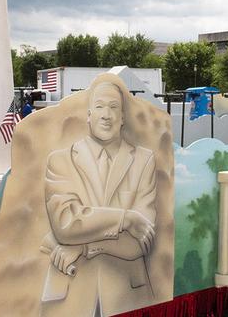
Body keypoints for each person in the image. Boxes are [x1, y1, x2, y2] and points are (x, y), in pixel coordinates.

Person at [40, 78, 157, 317]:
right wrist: (126, 219)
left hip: (127, 293)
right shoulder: (60, 161)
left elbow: (140, 241)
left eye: (114, 108)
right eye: (101, 107)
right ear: (89, 115)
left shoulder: (144, 160)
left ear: (123, 117)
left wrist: (84, 247)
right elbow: (66, 224)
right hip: (69, 293)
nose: (107, 115)